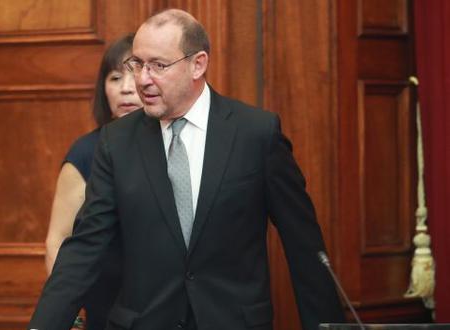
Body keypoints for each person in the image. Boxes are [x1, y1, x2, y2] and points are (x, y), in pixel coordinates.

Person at [30, 9, 345, 330]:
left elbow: (304, 246)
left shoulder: (256, 134)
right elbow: (85, 247)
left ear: (198, 64)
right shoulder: (116, 142)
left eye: (158, 66)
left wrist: (328, 324)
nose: (142, 79)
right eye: (137, 64)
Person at [43, 34, 142, 330]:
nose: (125, 89)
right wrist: (69, 316)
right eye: (114, 78)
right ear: (103, 90)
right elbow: (58, 239)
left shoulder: (176, 145)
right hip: (107, 305)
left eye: (133, 75)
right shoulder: (86, 152)